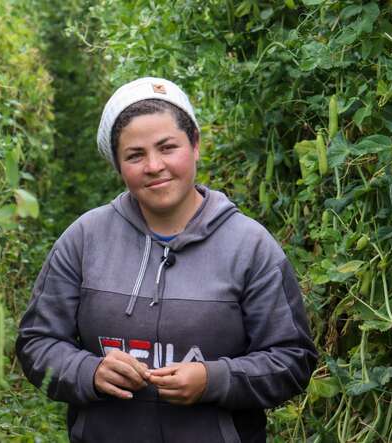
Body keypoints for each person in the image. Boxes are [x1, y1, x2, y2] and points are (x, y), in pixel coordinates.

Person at [16, 77, 318, 443]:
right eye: (135, 155)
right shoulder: (84, 238)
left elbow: (292, 359)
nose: (154, 165)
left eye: (167, 147)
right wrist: (88, 371)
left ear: (195, 146)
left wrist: (214, 380)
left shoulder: (250, 246)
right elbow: (36, 342)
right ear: (117, 165)